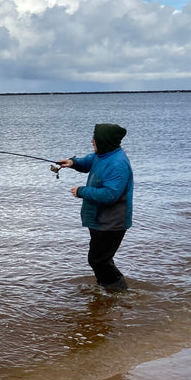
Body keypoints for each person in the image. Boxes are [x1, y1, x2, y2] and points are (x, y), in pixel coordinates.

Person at [56, 123, 133, 292]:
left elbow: (110, 195)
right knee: (102, 259)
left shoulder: (117, 163)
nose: (92, 141)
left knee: (98, 260)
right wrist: (72, 162)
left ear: (105, 141)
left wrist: (82, 191)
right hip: (100, 220)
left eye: (95, 139)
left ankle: (120, 293)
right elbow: (89, 161)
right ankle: (106, 290)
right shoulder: (104, 154)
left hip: (112, 222)